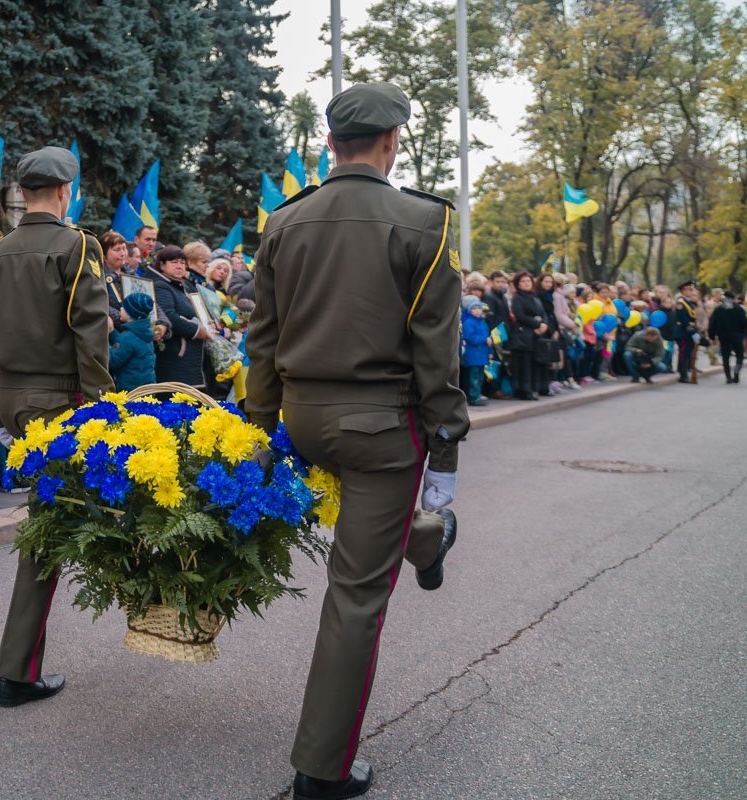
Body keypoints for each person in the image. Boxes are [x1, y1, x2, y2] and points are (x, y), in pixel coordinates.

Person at [246, 82, 467, 800]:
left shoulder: (283, 221)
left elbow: (263, 338)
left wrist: (257, 427)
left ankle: (424, 535)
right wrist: (446, 449)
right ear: (392, 141)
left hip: (304, 419)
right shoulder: (423, 221)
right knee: (356, 597)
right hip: (380, 429)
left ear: (330, 143)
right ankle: (322, 769)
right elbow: (439, 355)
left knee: (370, 542)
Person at [0, 145, 114, 709]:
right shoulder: (76, 244)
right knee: (49, 532)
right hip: (61, 401)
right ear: (64, 192)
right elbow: (90, 331)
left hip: (12, 398)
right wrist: (104, 408)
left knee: (52, 522)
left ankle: (20, 666)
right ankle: (17, 672)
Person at [149, 244, 210, 387]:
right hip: (175, 357)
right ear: (162, 265)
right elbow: (169, 316)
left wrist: (209, 323)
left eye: (182, 263)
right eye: (174, 262)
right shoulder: (161, 285)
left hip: (192, 358)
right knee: (177, 401)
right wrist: (197, 330)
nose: (179, 266)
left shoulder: (184, 285)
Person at [509, 270, 547, 401]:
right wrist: (537, 325)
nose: (526, 283)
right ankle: (524, 390)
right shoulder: (517, 297)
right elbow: (520, 315)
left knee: (533, 363)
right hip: (523, 335)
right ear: (518, 284)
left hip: (536, 335)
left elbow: (543, 314)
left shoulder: (535, 297)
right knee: (523, 365)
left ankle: (534, 388)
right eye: (523, 281)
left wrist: (544, 324)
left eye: (528, 281)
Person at [108, 292, 157, 391]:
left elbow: (112, 362)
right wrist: (112, 332)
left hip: (129, 392)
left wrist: (104, 345)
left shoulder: (128, 337)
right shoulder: (143, 333)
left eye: (124, 308)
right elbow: (126, 346)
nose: (120, 309)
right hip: (145, 390)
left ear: (131, 314)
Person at [708, 290, 747, 384]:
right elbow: (746, 322)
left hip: (723, 336)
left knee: (725, 357)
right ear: (733, 298)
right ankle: (736, 370)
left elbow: (712, 323)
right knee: (739, 355)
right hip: (737, 336)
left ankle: (728, 377)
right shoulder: (738, 308)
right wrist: (743, 333)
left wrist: (712, 336)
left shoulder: (719, 309)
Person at [460, 296, 492, 406]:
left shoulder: (482, 322)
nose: (477, 311)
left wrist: (490, 349)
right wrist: (484, 340)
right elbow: (470, 337)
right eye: (474, 308)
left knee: (479, 377)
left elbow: (487, 335)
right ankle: (473, 397)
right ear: (469, 310)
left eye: (479, 308)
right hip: (473, 354)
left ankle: (477, 395)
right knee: (473, 378)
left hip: (482, 354)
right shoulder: (468, 322)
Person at [98, 230, 129, 326]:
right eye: (117, 250)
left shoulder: (131, 274)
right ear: (104, 255)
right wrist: (120, 316)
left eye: (124, 248)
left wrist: (162, 324)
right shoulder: (98, 277)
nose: (123, 253)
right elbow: (98, 303)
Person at [675, 281, 699, 382]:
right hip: (683, 332)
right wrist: (691, 330)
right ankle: (683, 375)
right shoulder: (681, 303)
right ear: (684, 290)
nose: (691, 291)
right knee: (684, 353)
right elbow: (683, 319)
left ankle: (685, 372)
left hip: (690, 331)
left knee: (688, 353)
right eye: (690, 289)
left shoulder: (688, 302)